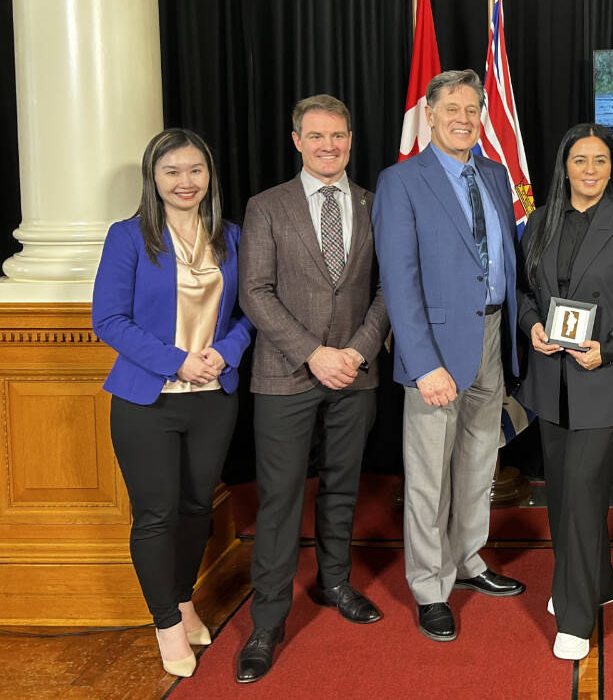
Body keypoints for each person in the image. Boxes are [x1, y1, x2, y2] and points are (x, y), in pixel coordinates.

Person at [235, 94, 390, 683]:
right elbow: (255, 292)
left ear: (351, 138)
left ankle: (334, 583)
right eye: (317, 136)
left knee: (343, 488)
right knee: (278, 502)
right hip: (286, 374)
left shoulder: (376, 205)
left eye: (339, 135)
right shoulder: (265, 207)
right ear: (296, 140)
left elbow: (389, 288)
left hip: (356, 370)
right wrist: (314, 354)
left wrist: (355, 351)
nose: (330, 146)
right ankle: (268, 621)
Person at [93, 128, 253, 678]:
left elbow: (247, 314)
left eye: (195, 171)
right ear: (153, 179)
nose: (186, 182)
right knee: (156, 514)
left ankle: (183, 598)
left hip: (213, 397)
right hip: (147, 399)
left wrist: (225, 353)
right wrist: (175, 360)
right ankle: (165, 620)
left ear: (209, 176)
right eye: (172, 172)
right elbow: (108, 319)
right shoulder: (129, 237)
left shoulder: (231, 236)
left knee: (194, 509)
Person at [373, 69, 525, 644]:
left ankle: (468, 561)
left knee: (480, 460)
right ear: (430, 115)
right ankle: (430, 587)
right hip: (435, 348)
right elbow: (400, 281)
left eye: (473, 108)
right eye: (452, 109)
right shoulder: (401, 182)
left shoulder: (492, 171)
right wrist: (423, 361)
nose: (464, 118)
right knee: (430, 475)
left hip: (491, 336)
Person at [516, 124, 613, 661]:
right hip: (552, 381)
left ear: (612, 167)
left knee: (581, 496)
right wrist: (532, 321)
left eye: (600, 160)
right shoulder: (539, 221)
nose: (589, 170)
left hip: (602, 378)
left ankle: (576, 617)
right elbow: (523, 291)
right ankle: (595, 581)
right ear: (564, 166)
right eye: (580, 160)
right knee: (561, 496)